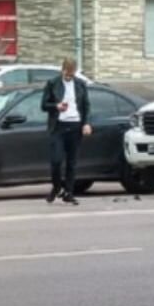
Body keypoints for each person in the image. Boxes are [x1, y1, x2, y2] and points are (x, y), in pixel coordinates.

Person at [41, 59, 91, 205]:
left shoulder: (81, 84)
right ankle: (57, 187)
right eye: (66, 74)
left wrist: (86, 123)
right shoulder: (52, 83)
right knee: (56, 160)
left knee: (72, 162)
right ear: (62, 70)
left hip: (75, 125)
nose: (68, 77)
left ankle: (69, 192)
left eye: (71, 74)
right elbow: (43, 105)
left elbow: (86, 105)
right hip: (58, 126)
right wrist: (56, 106)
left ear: (75, 72)